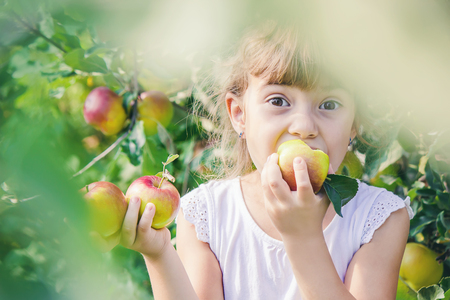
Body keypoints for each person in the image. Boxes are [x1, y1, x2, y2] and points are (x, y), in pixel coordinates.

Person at [97, 22, 414, 299]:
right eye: (279, 100)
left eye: (329, 103)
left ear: (354, 124)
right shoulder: (207, 214)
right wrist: (159, 253)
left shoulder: (379, 218)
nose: (303, 126)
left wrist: (302, 238)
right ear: (239, 114)